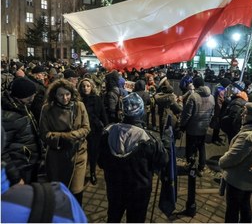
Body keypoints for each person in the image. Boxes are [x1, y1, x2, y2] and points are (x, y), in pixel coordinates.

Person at [98, 93, 169, 223]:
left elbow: (101, 162)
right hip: (139, 191)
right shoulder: (149, 139)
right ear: (141, 111)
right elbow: (162, 162)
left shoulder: (108, 132)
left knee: (113, 216)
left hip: (114, 187)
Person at [39, 79, 90, 205]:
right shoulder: (47, 109)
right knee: (59, 190)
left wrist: (73, 135)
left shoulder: (79, 106)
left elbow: (86, 127)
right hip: (57, 156)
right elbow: (44, 133)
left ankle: (76, 215)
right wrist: (62, 137)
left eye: (67, 94)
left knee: (76, 189)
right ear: (54, 95)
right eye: (60, 95)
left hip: (78, 154)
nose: (65, 98)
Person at [1, 77, 43, 185]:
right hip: (20, 169)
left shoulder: (21, 107)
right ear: (22, 96)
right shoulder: (8, 116)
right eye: (31, 96)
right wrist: (16, 178)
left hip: (29, 164)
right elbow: (2, 152)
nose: (33, 97)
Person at [179, 77, 215, 176]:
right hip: (204, 127)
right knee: (201, 146)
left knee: (190, 146)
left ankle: (190, 164)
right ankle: (201, 167)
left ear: (195, 84)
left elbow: (187, 114)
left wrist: (182, 125)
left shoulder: (193, 97)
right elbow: (212, 113)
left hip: (192, 127)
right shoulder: (211, 97)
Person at [77, 77, 108, 185]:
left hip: (95, 130)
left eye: (88, 86)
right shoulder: (78, 100)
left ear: (92, 87)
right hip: (82, 130)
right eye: (83, 86)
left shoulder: (97, 99)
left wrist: (107, 126)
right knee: (82, 152)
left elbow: (103, 113)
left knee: (94, 152)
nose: (86, 88)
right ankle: (81, 174)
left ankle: (93, 172)